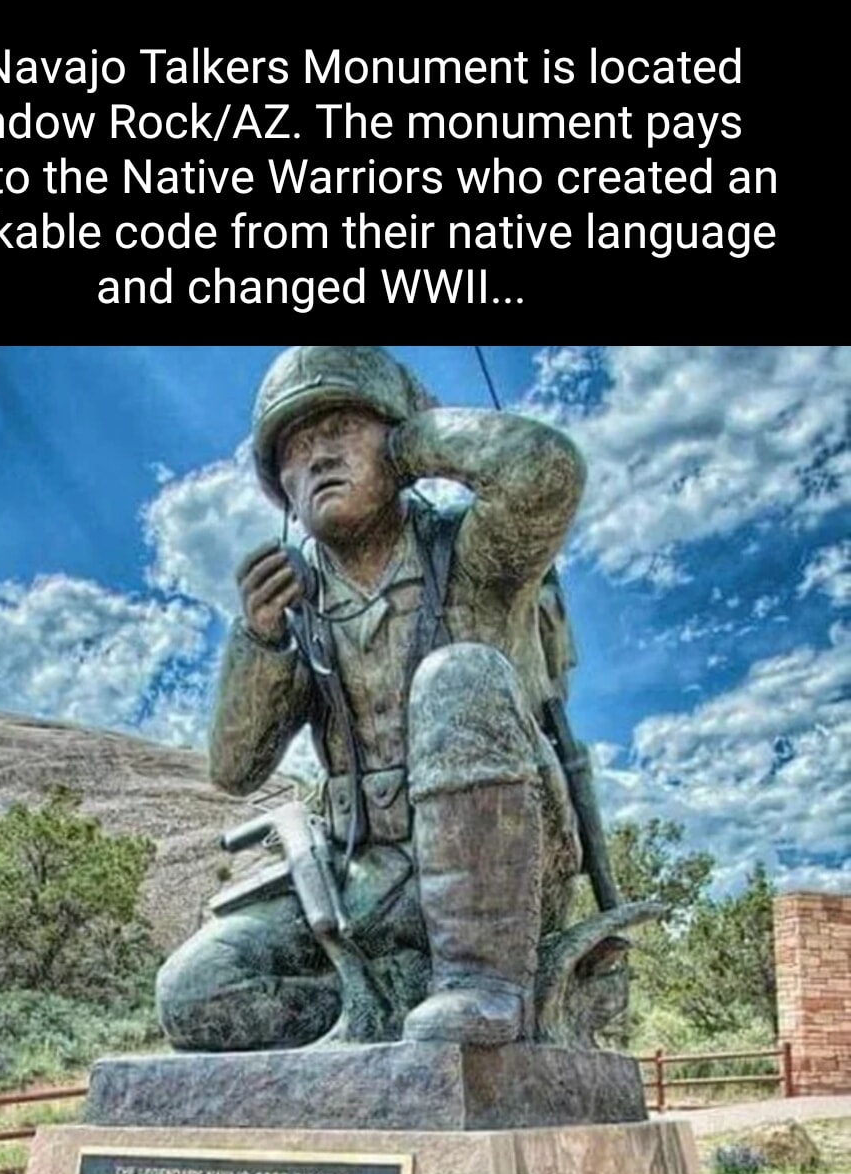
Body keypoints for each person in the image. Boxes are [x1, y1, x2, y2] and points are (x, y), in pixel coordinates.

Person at [157, 344, 609, 1054]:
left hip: (506, 874)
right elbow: (234, 767)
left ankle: (482, 986)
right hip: (361, 879)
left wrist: (415, 436)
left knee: (455, 674)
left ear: (394, 438)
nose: (317, 459)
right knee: (193, 994)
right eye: (296, 450)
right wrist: (260, 640)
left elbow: (546, 472)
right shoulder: (299, 609)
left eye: (341, 430)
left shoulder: (474, 554)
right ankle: (396, 997)